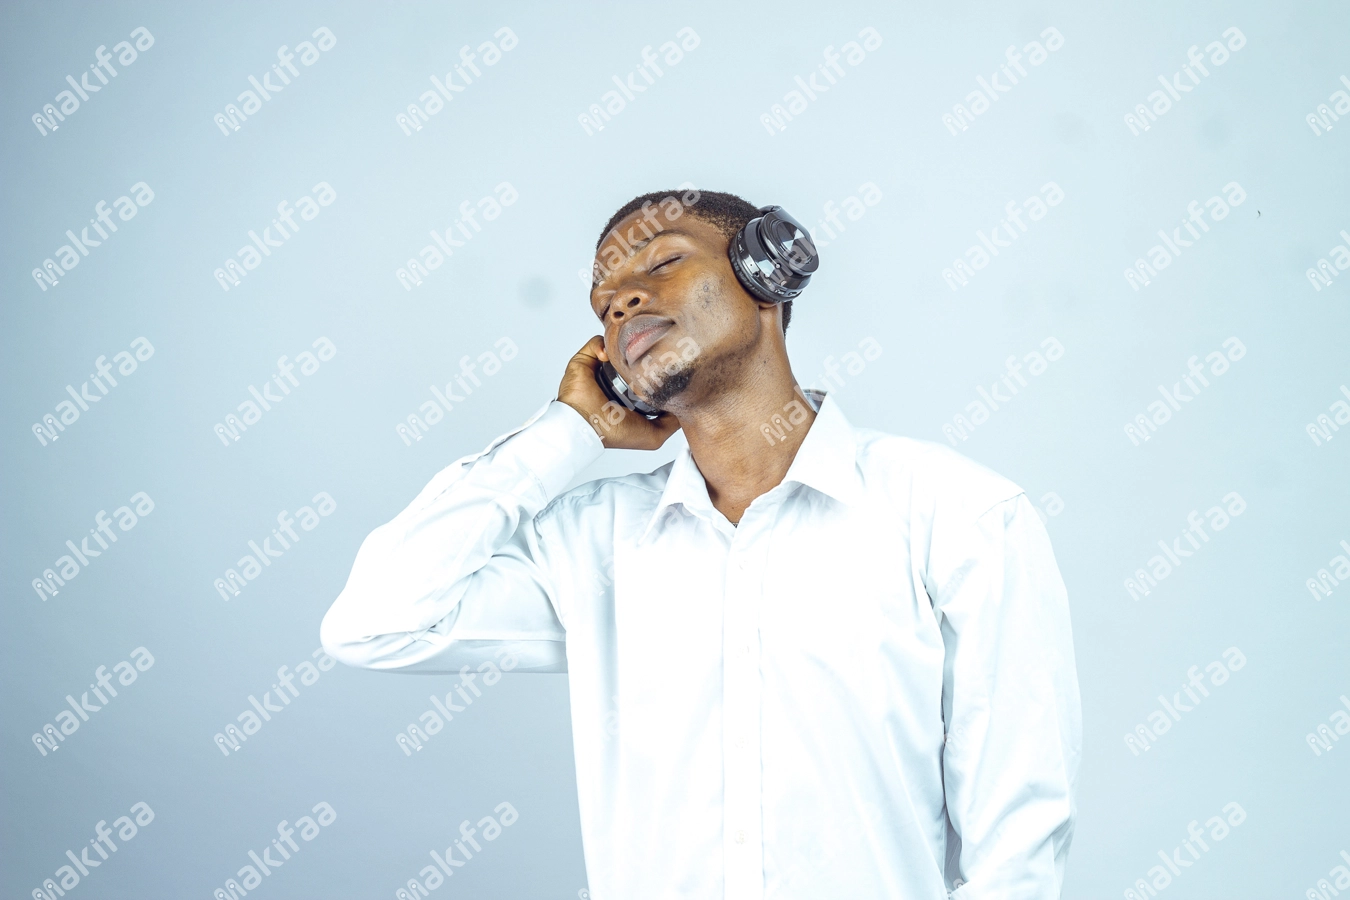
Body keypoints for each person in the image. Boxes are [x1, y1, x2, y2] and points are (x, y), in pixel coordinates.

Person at [320, 187, 1081, 899]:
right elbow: (376, 624)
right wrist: (564, 434)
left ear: (767, 273)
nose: (623, 301)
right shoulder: (593, 543)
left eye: (663, 261)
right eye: (604, 302)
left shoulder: (959, 514)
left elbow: (1017, 836)